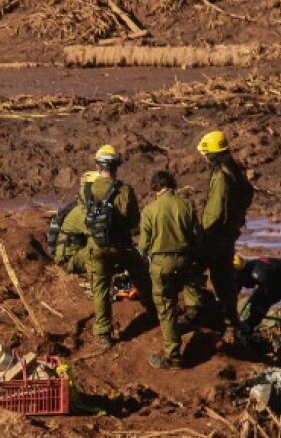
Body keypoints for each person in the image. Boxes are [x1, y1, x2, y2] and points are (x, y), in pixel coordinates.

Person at [79, 145, 155, 349]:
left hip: (96, 247)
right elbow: (133, 222)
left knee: (101, 289)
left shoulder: (86, 189)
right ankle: (153, 311)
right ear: (116, 166)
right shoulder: (125, 190)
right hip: (121, 247)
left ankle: (104, 334)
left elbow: (83, 216)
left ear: (97, 165)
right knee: (140, 272)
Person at [185, 130, 254, 344]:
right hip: (229, 235)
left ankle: (193, 312)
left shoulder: (221, 175)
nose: (204, 158)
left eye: (206, 154)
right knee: (223, 278)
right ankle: (230, 321)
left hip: (215, 236)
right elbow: (249, 193)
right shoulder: (234, 170)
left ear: (212, 154)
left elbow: (214, 213)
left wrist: (201, 235)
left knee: (190, 267)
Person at [138, 171, 200, 369]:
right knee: (188, 285)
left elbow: (143, 245)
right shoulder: (187, 205)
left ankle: (172, 356)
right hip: (185, 261)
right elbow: (197, 237)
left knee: (165, 308)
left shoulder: (149, 210)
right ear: (173, 185)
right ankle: (193, 312)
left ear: (155, 188)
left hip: (161, 264)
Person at [49, 171, 98, 275]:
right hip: (68, 261)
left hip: (76, 255)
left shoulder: (80, 206)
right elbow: (100, 234)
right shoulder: (82, 211)